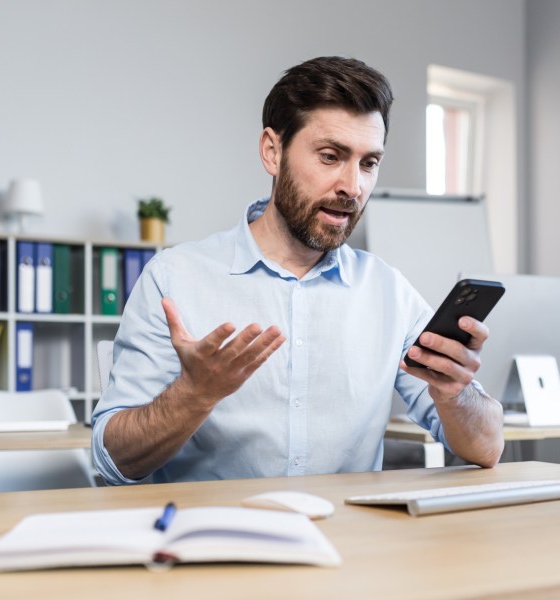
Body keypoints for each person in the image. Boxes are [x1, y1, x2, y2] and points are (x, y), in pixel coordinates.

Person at [91, 56, 504, 485]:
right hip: (210, 539)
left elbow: (488, 448)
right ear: (272, 151)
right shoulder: (175, 278)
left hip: (350, 542)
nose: (353, 186)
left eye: (369, 164)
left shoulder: (388, 291)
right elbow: (112, 461)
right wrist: (193, 396)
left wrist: (455, 394)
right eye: (330, 157)